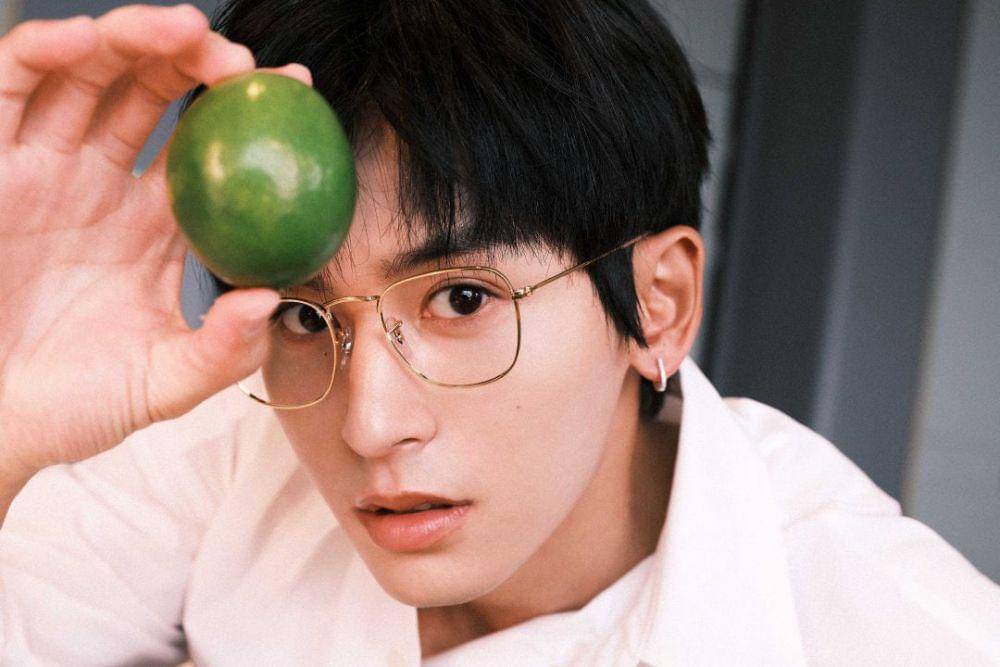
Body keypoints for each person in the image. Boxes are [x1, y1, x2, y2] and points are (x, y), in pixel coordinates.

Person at [0, 1, 997, 665]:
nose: (368, 423)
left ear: (658, 302)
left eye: (463, 300)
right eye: (306, 314)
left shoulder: (889, 630)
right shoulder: (235, 436)